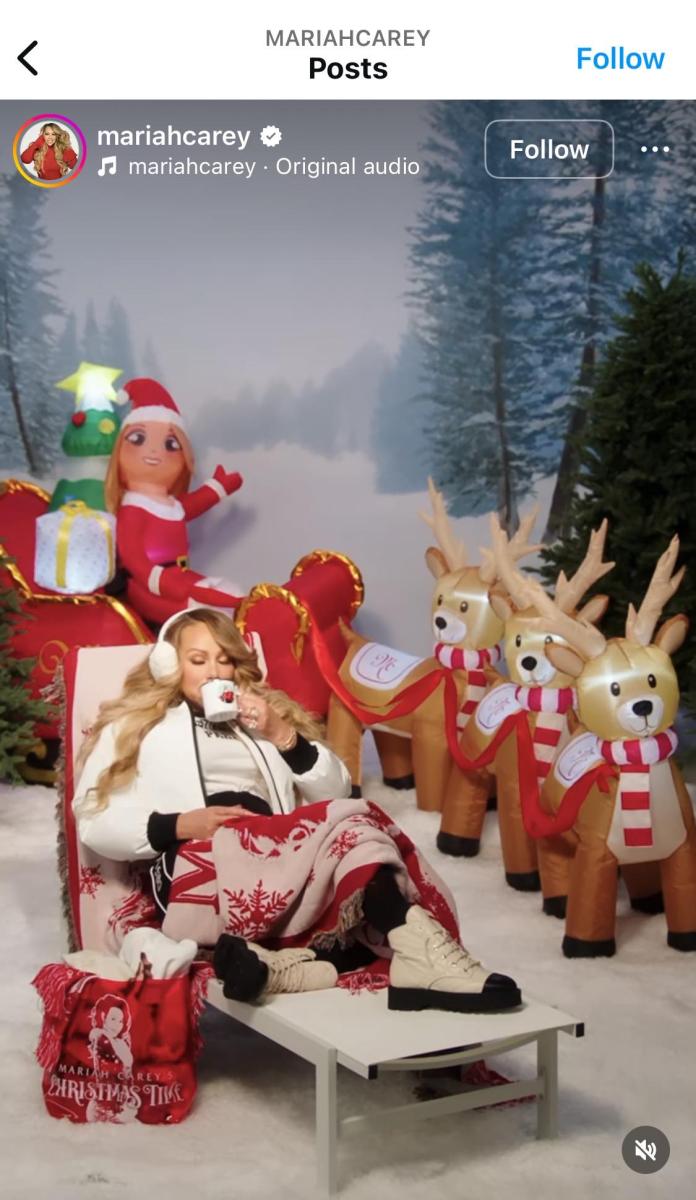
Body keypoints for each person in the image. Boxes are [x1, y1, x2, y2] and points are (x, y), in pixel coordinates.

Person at [74, 608, 521, 1013]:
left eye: (224, 660)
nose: (214, 671)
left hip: (277, 852)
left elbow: (335, 791)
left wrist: (282, 734)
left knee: (356, 825)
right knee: (351, 824)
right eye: (198, 660)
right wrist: (180, 824)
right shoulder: (138, 726)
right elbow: (92, 816)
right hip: (197, 864)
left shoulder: (260, 719)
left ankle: (316, 961)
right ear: (169, 665)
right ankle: (410, 950)